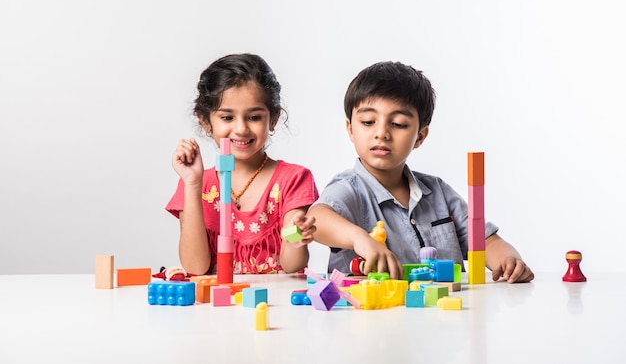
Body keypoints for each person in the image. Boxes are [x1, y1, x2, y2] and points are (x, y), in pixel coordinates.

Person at [309, 61, 534, 283]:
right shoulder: (349, 188)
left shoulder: (438, 192)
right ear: (350, 129)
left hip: (445, 313)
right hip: (377, 313)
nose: (382, 133)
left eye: (398, 124)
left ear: (420, 136)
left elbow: (484, 241)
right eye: (368, 121)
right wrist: (359, 239)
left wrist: (509, 260)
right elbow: (316, 219)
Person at [166, 53, 318, 276]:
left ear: (273, 119)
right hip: (217, 307)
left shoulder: (293, 179)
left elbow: (291, 265)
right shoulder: (197, 183)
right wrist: (192, 183)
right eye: (227, 118)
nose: (241, 129)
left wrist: (296, 239)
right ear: (205, 121)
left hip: (273, 305)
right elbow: (195, 267)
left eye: (254, 117)